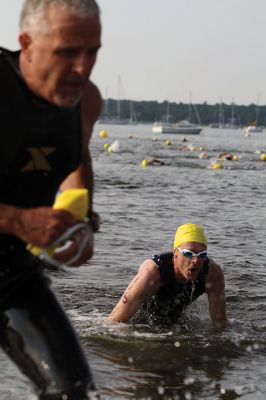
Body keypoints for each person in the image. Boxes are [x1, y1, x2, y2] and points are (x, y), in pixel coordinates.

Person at [0, 0, 102, 398]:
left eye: (92, 51)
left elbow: (78, 158)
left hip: (12, 272)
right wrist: (17, 220)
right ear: (26, 43)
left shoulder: (85, 101)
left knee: (73, 392)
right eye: (67, 52)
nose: (82, 68)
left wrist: (80, 218)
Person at [108, 223, 227, 328]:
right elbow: (114, 322)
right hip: (142, 319)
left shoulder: (212, 274)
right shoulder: (152, 273)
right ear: (175, 253)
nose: (196, 260)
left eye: (202, 254)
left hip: (176, 320)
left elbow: (220, 324)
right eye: (188, 253)